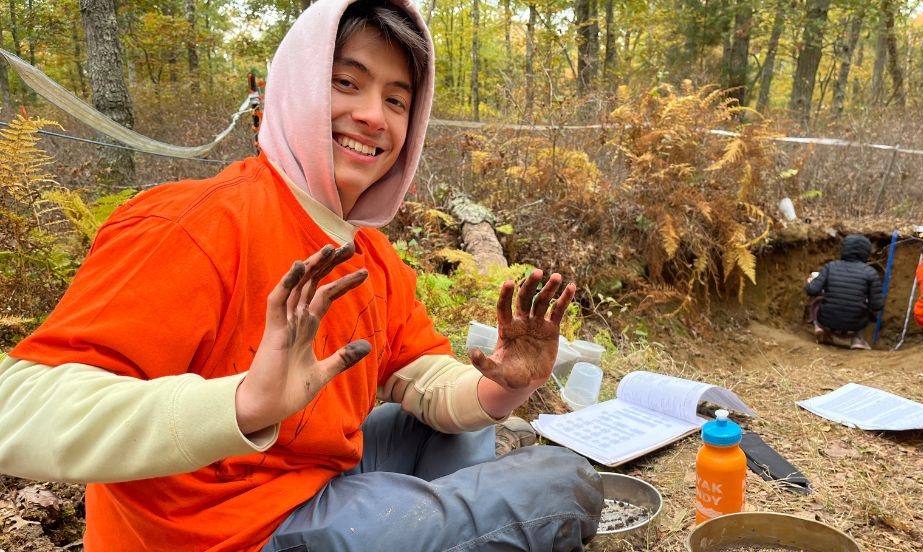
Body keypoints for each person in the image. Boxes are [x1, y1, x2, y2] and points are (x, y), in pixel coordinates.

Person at [0, 1, 602, 550]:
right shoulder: (195, 224)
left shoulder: (370, 255)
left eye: (397, 100)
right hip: (222, 532)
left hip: (308, 484)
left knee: (445, 434)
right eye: (346, 83)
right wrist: (242, 403)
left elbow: (419, 378)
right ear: (294, 89)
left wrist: (507, 385)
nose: (372, 116)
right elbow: (16, 407)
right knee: (559, 485)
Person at [805, 234, 884, 350]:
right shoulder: (870, 273)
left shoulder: (830, 267)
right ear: (866, 252)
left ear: (844, 249)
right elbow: (877, 305)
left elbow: (812, 290)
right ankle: (856, 339)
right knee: (864, 307)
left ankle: (820, 329)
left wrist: (811, 282)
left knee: (818, 300)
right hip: (855, 325)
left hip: (827, 321)